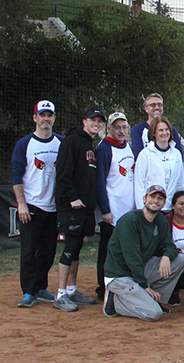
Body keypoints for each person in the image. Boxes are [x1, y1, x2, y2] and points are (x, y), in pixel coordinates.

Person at [102, 185, 184, 321]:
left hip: (139, 270)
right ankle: (115, 302)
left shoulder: (160, 220)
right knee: (154, 314)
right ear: (144, 199)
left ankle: (154, 300)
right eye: (152, 197)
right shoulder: (130, 220)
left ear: (164, 203)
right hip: (120, 275)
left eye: (160, 198)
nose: (155, 201)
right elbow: (132, 258)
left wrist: (166, 256)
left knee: (180, 260)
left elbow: (169, 245)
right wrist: (145, 286)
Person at [53, 107, 106, 311]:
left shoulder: (89, 144)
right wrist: (72, 198)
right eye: (93, 120)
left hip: (85, 208)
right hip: (72, 207)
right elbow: (63, 174)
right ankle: (60, 294)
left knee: (77, 249)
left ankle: (72, 290)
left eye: (99, 121)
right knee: (69, 248)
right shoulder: (72, 141)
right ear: (84, 121)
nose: (96, 123)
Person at [12, 100, 62, 307]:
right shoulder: (25, 144)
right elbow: (16, 175)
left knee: (48, 251)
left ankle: (41, 286)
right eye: (42, 115)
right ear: (35, 118)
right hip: (32, 206)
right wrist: (21, 204)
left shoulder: (61, 142)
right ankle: (29, 291)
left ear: (53, 118)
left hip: (53, 207)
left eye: (49, 115)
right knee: (28, 251)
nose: (46, 119)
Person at [94, 112, 136, 299]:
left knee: (124, 249)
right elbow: (99, 182)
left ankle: (122, 284)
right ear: (108, 129)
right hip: (112, 211)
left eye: (124, 127)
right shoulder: (103, 149)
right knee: (107, 250)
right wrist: (105, 210)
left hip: (128, 209)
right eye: (116, 127)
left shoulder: (128, 147)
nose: (121, 131)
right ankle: (103, 287)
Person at [134, 116, 184, 212]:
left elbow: (179, 183)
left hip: (170, 208)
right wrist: (142, 210)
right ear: (154, 133)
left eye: (166, 129)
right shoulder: (145, 154)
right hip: (151, 208)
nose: (164, 133)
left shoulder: (176, 154)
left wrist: (179, 206)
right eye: (160, 130)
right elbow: (139, 185)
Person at [131, 93, 183, 157]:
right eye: (153, 105)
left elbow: (179, 155)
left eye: (159, 105)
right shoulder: (138, 130)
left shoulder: (171, 130)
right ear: (146, 109)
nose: (157, 107)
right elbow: (139, 155)